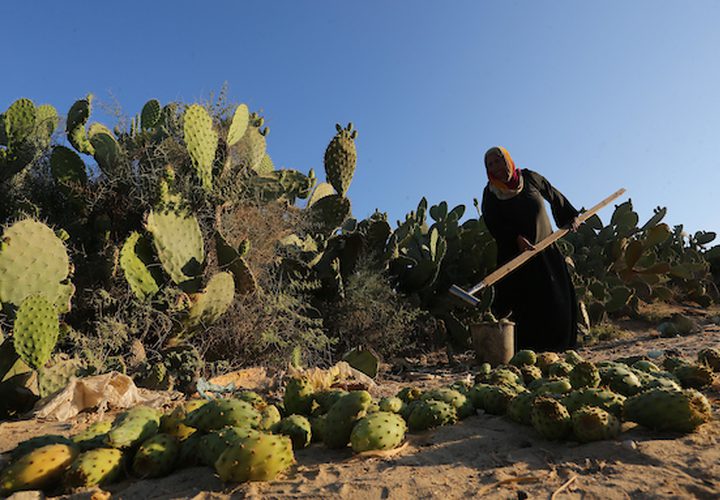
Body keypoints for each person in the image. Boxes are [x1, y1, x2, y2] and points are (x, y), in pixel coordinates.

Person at [481, 146, 580, 352]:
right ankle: (526, 353)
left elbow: (552, 193)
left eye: (498, 161)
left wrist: (569, 216)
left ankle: (561, 350)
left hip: (545, 250)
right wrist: (515, 238)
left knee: (557, 301)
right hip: (515, 258)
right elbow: (493, 222)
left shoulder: (529, 177)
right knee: (524, 307)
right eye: (490, 164)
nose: (495, 167)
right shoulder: (490, 193)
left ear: (507, 159)